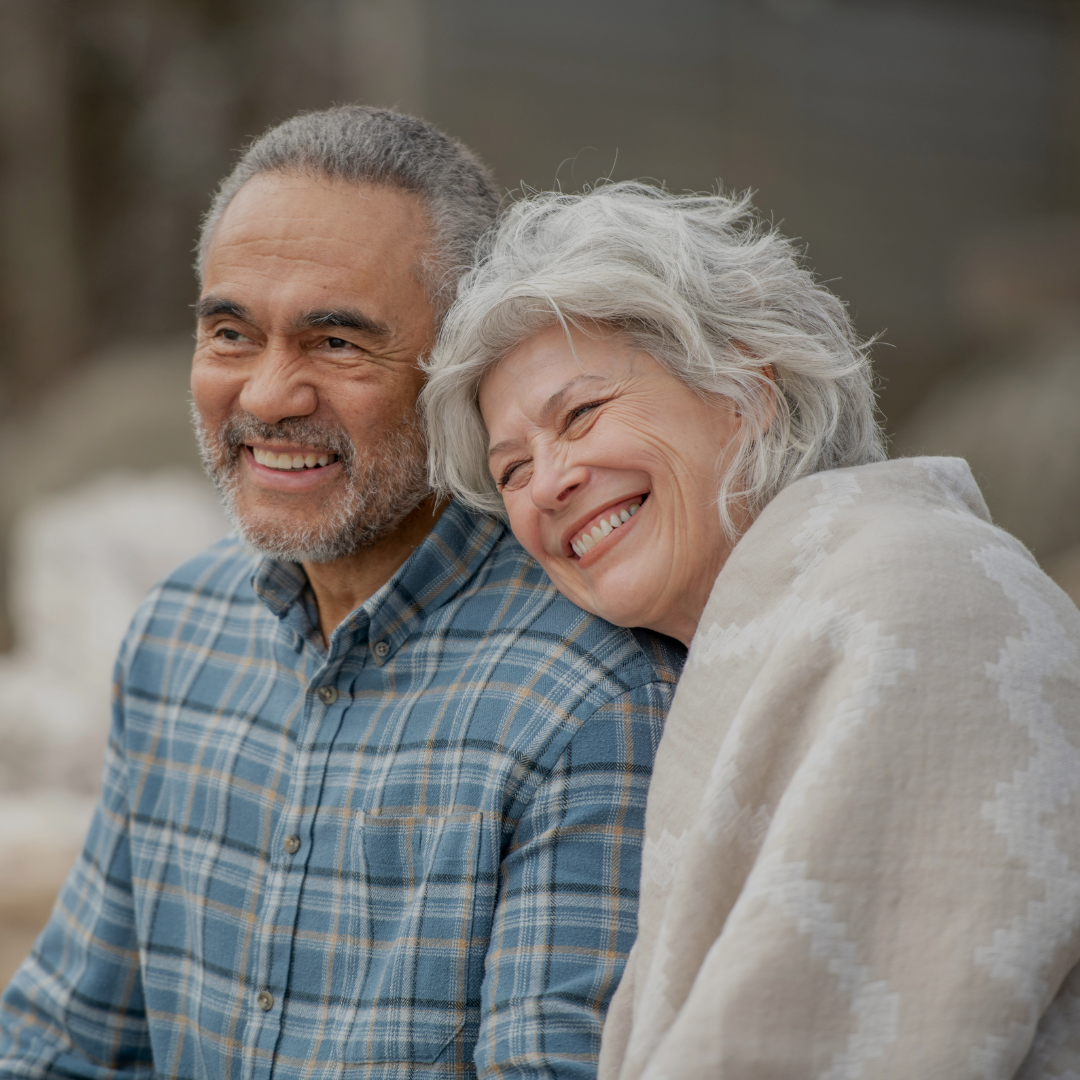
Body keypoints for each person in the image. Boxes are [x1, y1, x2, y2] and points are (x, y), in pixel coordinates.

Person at [0, 112, 685, 1080]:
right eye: (231, 332)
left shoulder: (591, 697)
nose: (269, 396)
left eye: (335, 342)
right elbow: (66, 1041)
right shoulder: (177, 636)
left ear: (463, 369)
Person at [421, 180, 1080, 1078]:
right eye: (510, 470)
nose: (545, 485)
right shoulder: (751, 632)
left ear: (748, 386)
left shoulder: (916, 596)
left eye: (579, 415)